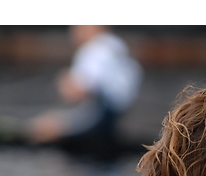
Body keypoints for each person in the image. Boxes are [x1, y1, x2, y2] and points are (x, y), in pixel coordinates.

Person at [29, 25, 144, 162]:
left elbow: (78, 92)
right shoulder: (117, 46)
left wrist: (64, 83)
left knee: (43, 127)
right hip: (115, 121)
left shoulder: (93, 50)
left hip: (98, 124)